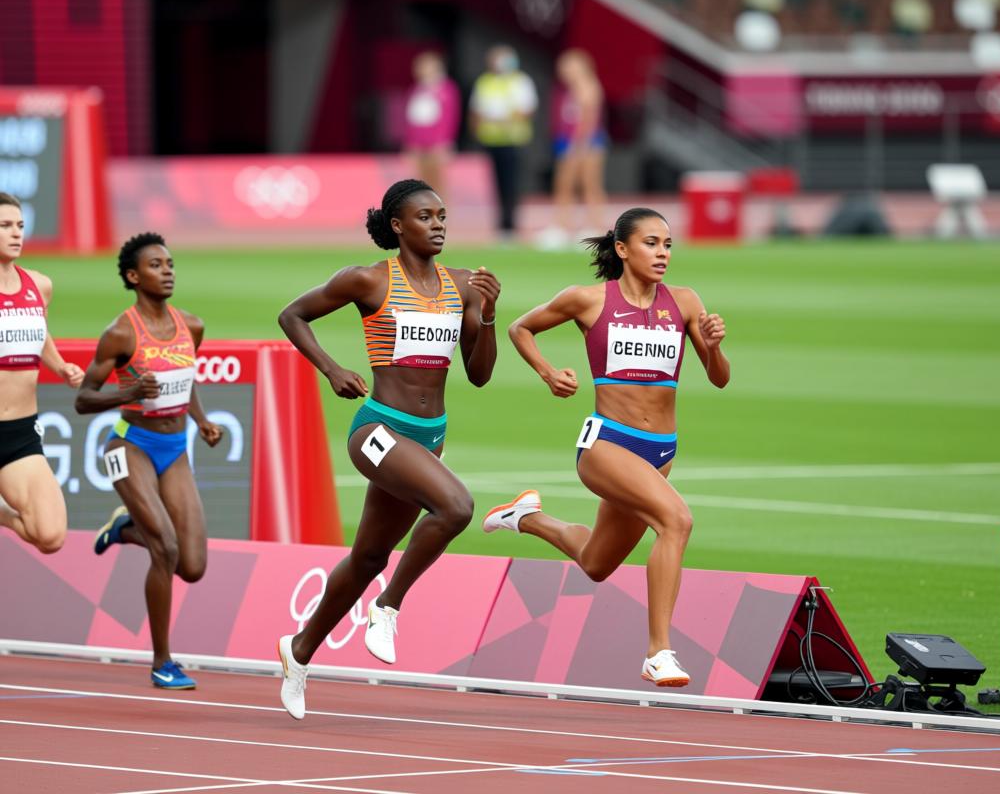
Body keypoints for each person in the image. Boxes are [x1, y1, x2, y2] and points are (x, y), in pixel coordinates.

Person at [275, 178, 500, 720]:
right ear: (398, 226)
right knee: (456, 508)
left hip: (430, 436)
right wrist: (331, 370)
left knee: (369, 555)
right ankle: (388, 606)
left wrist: (488, 314)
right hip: (378, 429)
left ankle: (298, 651)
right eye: (426, 216)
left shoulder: (465, 285)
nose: (439, 224)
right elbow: (292, 315)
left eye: (443, 215)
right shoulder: (369, 280)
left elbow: (480, 375)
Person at [487, 207, 729, 688]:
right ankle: (659, 651)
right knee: (676, 521)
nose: (662, 253)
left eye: (667, 244)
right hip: (606, 446)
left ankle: (526, 517)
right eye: (651, 243)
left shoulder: (684, 302)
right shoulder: (588, 300)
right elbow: (521, 328)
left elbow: (719, 379)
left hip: (661, 451)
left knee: (597, 563)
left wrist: (714, 345)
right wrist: (549, 373)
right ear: (622, 249)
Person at [74, 232, 223, 690]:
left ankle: (124, 529)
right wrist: (129, 393)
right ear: (134, 277)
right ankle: (163, 661)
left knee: (193, 565)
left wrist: (200, 420)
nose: (168, 270)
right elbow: (83, 399)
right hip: (129, 445)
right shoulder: (121, 332)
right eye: (156, 265)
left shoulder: (190, 326)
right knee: (167, 550)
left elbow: (186, 378)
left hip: (175, 447)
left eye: (170, 263)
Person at [0, 192, 84, 553]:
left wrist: (60, 366)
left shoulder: (39, 285)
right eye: (5, 226)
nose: (16, 233)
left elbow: (37, 329)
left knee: (50, 536)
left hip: (18, 433)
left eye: (19, 225)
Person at [469, 44, 538, 243]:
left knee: (511, 182)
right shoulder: (485, 81)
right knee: (495, 183)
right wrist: (477, 132)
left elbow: (528, 108)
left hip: (513, 139)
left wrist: (507, 119)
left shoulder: (520, 81)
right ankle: (500, 223)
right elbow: (476, 110)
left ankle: (510, 223)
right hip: (490, 139)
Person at [540, 49, 607, 249]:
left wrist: (579, 146)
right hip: (568, 140)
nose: (563, 71)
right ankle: (562, 226)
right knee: (564, 184)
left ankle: (595, 227)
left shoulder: (588, 86)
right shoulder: (568, 90)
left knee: (588, 184)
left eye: (568, 66)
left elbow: (589, 120)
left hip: (586, 143)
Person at [403, 51, 460, 196]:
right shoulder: (416, 90)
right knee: (421, 184)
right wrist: (410, 142)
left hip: (437, 145)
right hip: (420, 145)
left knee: (438, 183)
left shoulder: (447, 89)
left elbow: (450, 118)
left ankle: (440, 215)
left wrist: (445, 142)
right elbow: (411, 120)